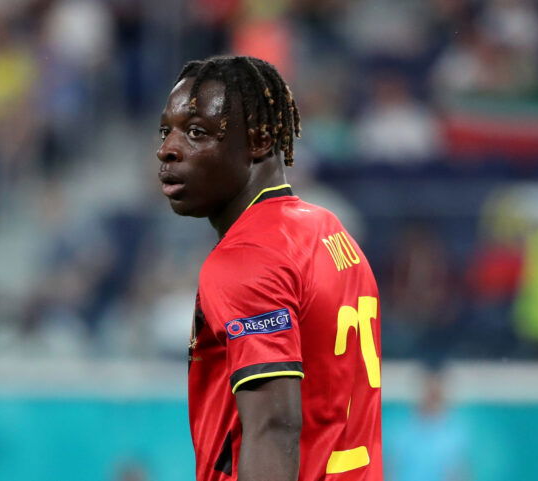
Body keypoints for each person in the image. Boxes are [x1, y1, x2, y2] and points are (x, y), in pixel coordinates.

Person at [156, 55, 383, 481]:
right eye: (166, 130)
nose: (167, 148)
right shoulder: (330, 232)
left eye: (197, 132)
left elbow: (274, 427)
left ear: (259, 140)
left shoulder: (248, 259)